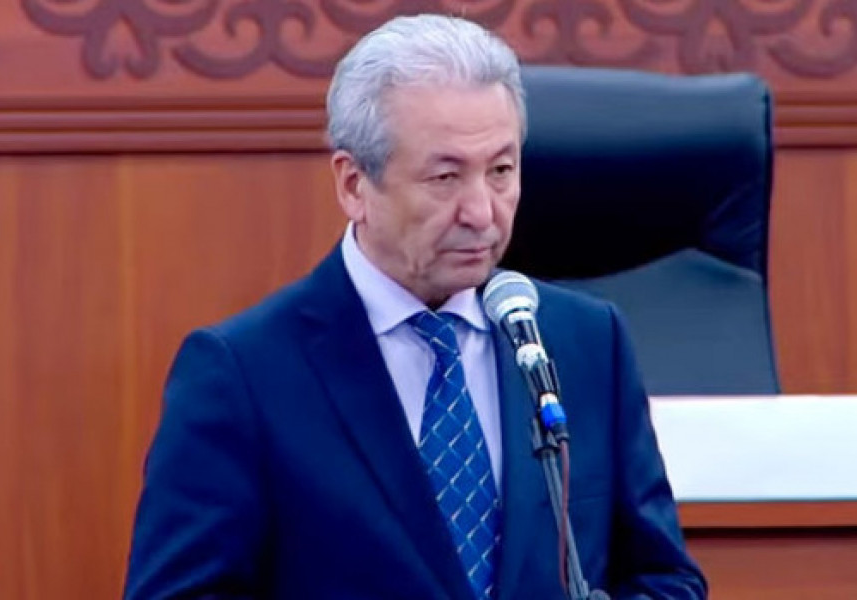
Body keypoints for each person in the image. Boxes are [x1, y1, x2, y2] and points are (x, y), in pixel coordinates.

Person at [124, 13, 706, 600]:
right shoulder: (242, 373)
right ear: (354, 185)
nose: (482, 211)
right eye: (445, 177)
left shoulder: (585, 343)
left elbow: (665, 579)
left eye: (501, 171)